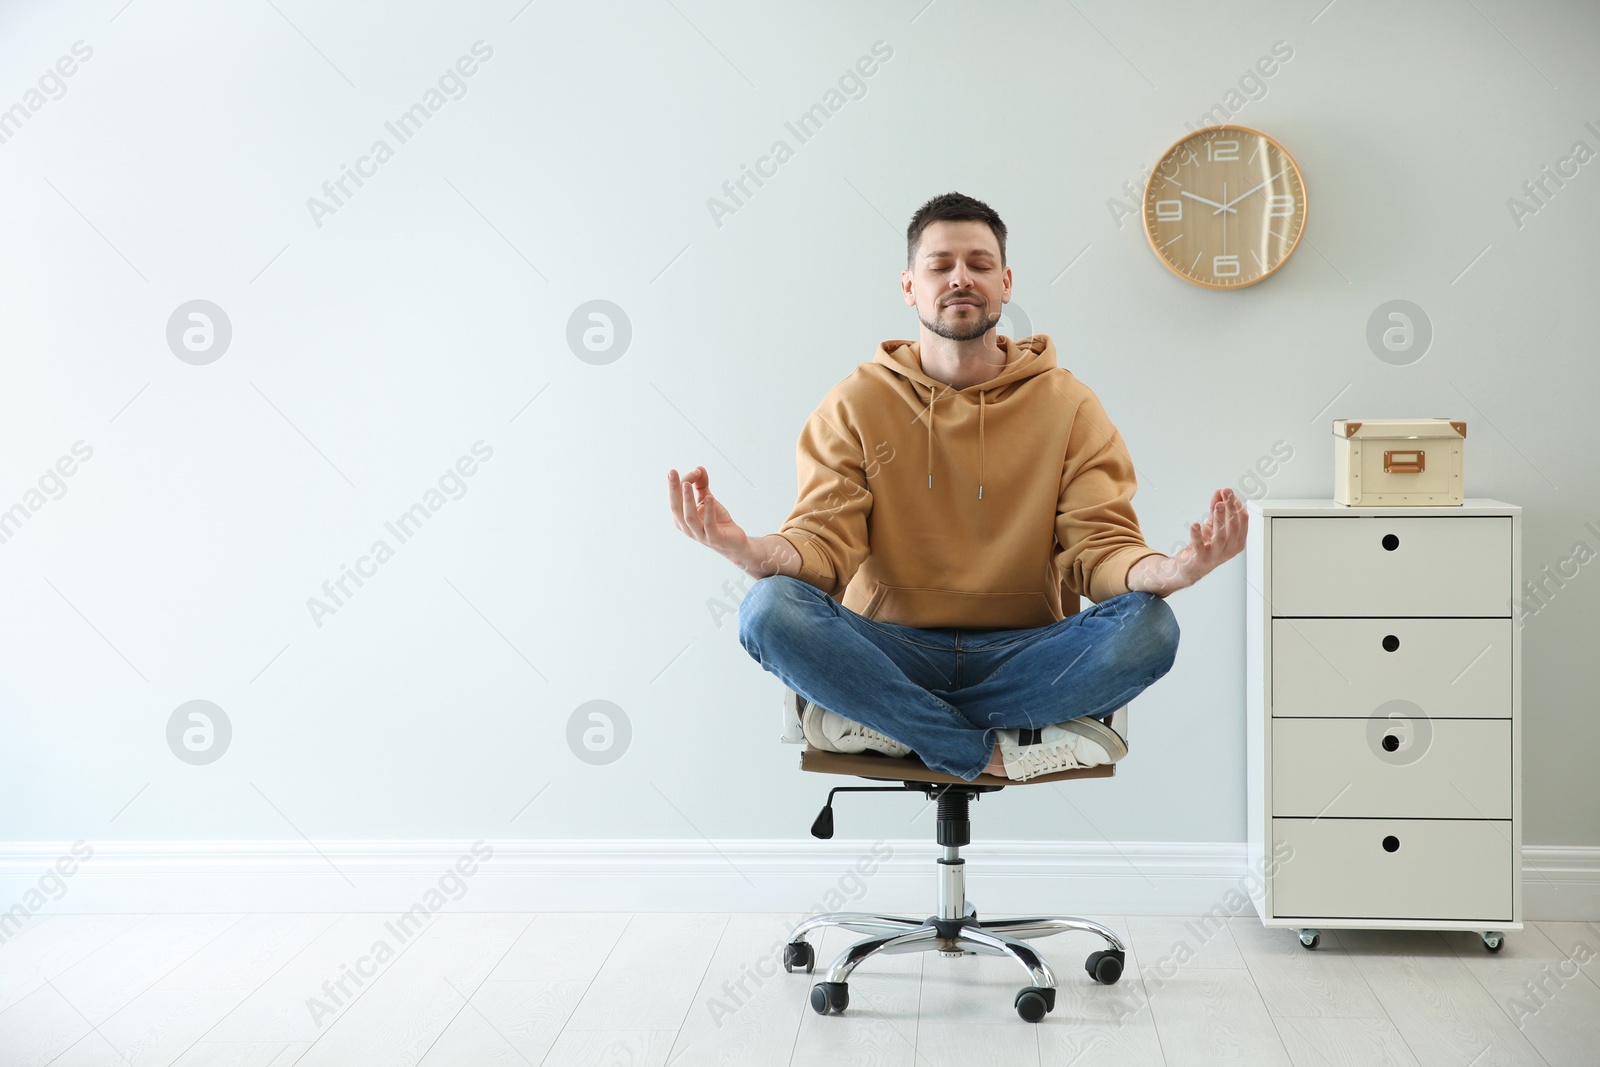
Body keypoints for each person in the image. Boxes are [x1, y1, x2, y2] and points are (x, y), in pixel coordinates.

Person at [668, 192, 1246, 782]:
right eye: (940, 265)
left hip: (1022, 654)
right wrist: (751, 552)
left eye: (979, 263)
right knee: (768, 608)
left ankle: (891, 725)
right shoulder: (855, 403)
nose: (960, 278)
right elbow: (823, 543)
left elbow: (1098, 547)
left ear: (1006, 282)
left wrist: (1169, 573)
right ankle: (986, 747)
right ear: (909, 286)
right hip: (889, 649)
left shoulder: (1069, 406)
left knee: (1150, 627)